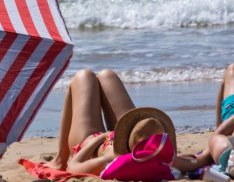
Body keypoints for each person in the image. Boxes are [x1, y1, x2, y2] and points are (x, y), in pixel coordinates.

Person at [46, 68, 204, 175]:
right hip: (125, 140)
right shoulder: (166, 158)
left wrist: (101, 138)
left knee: (83, 76)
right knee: (108, 75)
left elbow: (74, 167)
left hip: (90, 142)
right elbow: (200, 160)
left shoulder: (112, 159)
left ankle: (61, 157)